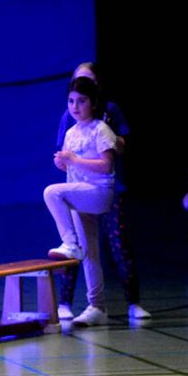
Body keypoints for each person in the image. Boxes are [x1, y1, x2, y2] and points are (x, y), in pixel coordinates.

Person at [53, 63, 149, 321]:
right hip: (81, 188)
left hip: (106, 188)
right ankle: (72, 303)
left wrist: (106, 137)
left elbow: (116, 150)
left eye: (86, 86)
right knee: (81, 246)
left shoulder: (107, 115)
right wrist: (64, 160)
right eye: (73, 93)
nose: (75, 104)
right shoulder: (69, 121)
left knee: (118, 245)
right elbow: (65, 153)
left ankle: (133, 302)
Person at [44, 76, 117, 326]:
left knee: (51, 193)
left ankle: (69, 242)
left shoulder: (101, 129)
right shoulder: (71, 132)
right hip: (81, 196)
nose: (75, 106)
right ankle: (97, 307)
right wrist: (63, 162)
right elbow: (72, 169)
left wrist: (73, 160)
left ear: (93, 103)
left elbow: (107, 165)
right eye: (71, 101)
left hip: (98, 192)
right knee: (90, 254)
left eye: (81, 101)